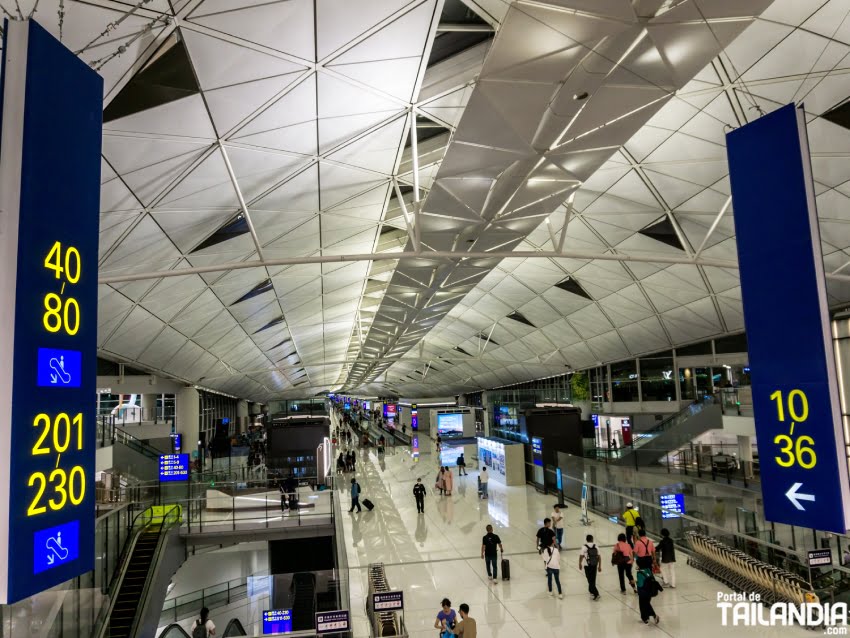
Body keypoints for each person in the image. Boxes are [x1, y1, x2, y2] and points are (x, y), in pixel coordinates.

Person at [578, 534, 602, 600]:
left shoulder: (584, 547)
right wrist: (599, 566)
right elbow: (599, 557)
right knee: (592, 579)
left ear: (586, 540)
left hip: (587, 565)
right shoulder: (596, 546)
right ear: (592, 539)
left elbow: (581, 556)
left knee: (589, 579)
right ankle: (591, 591)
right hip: (594, 565)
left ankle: (596, 594)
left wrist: (580, 563)